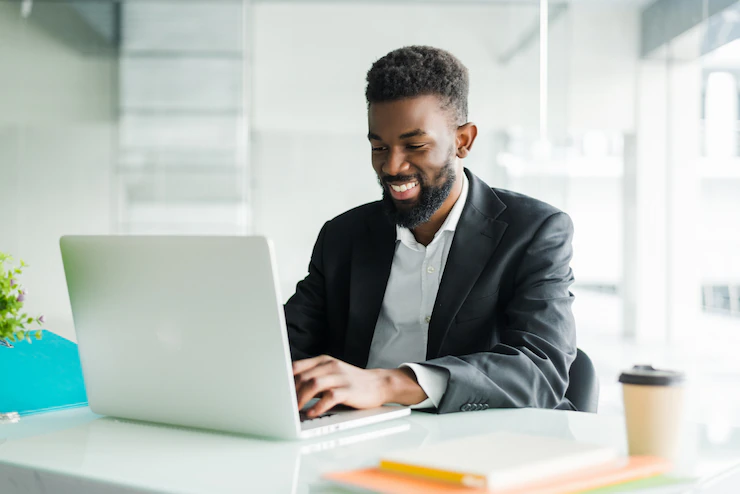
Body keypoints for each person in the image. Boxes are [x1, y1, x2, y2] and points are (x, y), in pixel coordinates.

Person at [286, 46, 576, 418]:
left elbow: (540, 369)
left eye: (415, 146)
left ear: (463, 141)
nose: (391, 166)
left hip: (474, 441)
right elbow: (288, 346)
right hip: (353, 435)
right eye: (379, 146)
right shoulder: (343, 236)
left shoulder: (534, 231)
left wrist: (387, 383)